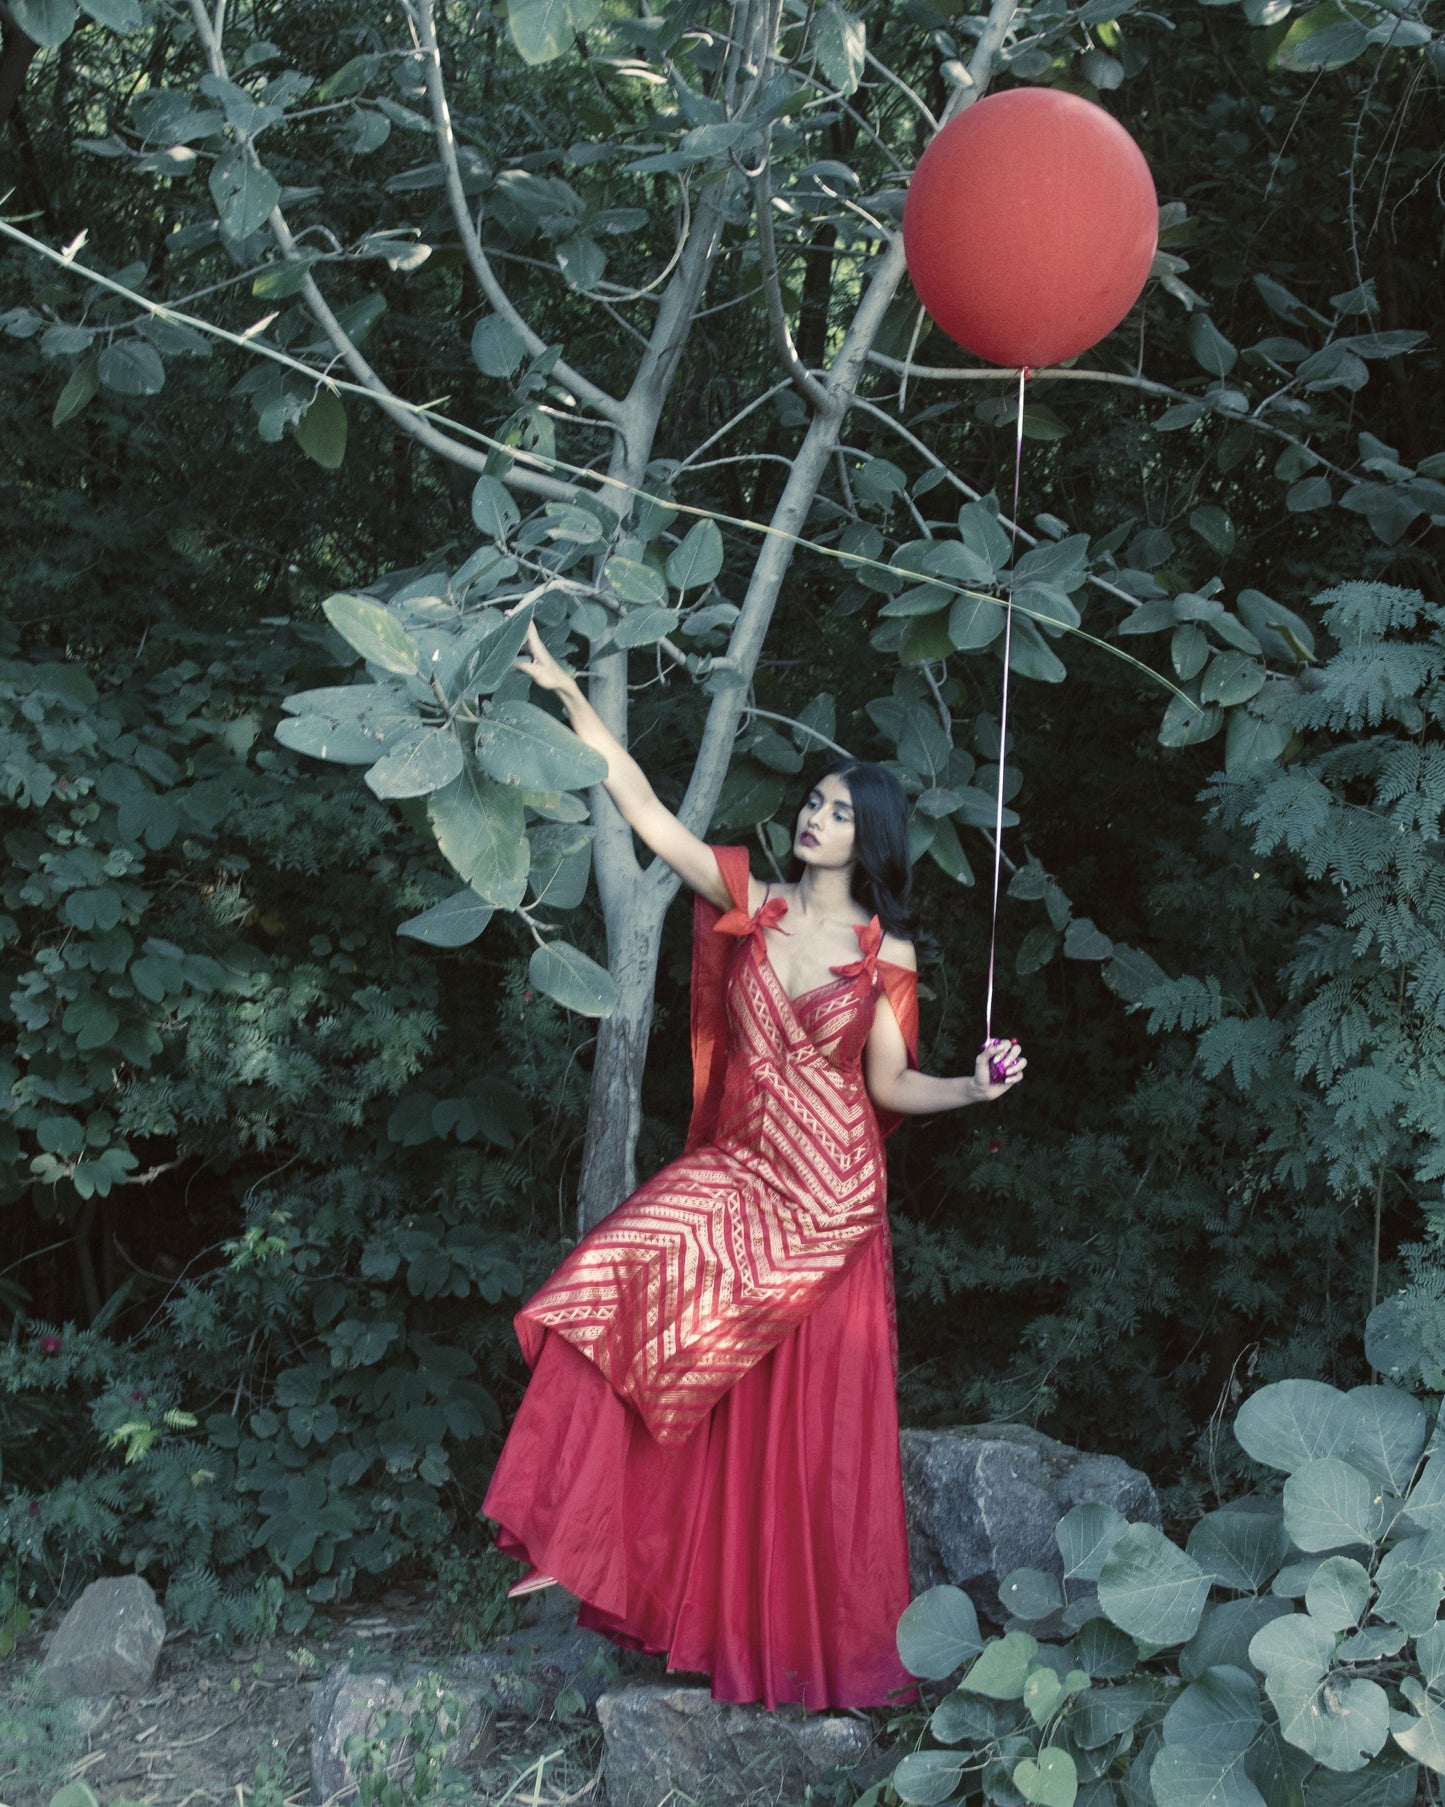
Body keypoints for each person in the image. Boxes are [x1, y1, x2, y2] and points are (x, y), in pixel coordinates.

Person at [483, 623, 1026, 1711]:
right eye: (813, 803)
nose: (815, 818)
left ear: (866, 832)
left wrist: (973, 1087)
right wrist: (565, 695)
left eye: (835, 809)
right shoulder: (751, 898)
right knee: (605, 1277)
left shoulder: (887, 954)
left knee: (792, 1430)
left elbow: (887, 1087)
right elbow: (640, 805)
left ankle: (783, 1651)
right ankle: (576, 1527)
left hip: (829, 1203)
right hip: (742, 1171)